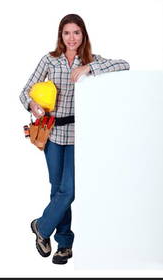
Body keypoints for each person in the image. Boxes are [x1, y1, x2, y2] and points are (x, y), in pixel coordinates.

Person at [19, 14, 130, 265]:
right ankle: (64, 245)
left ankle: (42, 226)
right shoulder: (50, 60)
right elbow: (25, 91)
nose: (71, 38)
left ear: (83, 35)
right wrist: (32, 103)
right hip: (53, 133)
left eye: (76, 33)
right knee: (58, 189)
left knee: (68, 190)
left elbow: (124, 64)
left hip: (81, 134)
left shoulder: (91, 60)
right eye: (67, 33)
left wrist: (89, 67)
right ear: (61, 35)